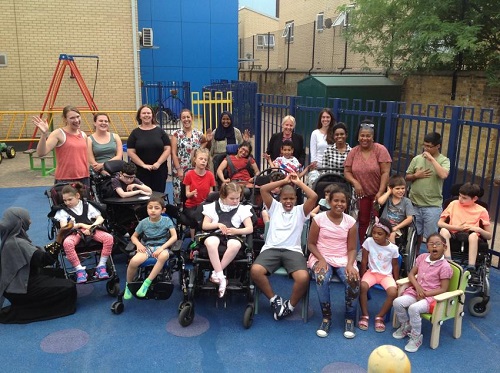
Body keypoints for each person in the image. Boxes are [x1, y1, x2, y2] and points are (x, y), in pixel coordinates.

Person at [250, 172, 317, 321]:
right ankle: (275, 300)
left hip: (293, 251)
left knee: (303, 277)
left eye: (291, 198)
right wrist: (284, 181)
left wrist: (298, 183)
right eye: (285, 198)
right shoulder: (274, 207)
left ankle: (289, 307)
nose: (288, 201)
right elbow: (263, 190)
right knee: (255, 270)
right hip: (271, 249)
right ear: (279, 199)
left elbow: (313, 197)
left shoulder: (301, 211)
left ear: (296, 199)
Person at [0, 208, 76, 324]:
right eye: (27, 218)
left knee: (61, 274)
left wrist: (57, 242)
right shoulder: (17, 243)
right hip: (21, 289)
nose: (30, 221)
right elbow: (46, 260)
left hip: (20, 280)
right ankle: (25, 310)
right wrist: (60, 236)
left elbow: (37, 253)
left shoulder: (12, 238)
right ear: (20, 222)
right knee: (69, 287)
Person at [307, 185, 359, 338]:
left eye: (343, 201)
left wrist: (350, 264)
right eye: (336, 200)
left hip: (343, 258)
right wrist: (321, 259)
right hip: (321, 256)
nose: (339, 204)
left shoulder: (350, 222)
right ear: (329, 201)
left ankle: (349, 319)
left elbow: (351, 248)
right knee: (322, 277)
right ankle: (326, 317)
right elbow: (311, 244)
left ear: (347, 203)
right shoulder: (319, 219)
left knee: (353, 279)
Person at [392, 233, 453, 353]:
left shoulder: (445, 267)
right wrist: (418, 288)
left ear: (444, 247)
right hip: (416, 292)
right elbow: (411, 274)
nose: (434, 246)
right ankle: (406, 325)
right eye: (431, 244)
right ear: (427, 246)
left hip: (432, 298)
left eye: (438, 244)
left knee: (414, 309)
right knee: (397, 302)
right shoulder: (422, 258)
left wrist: (425, 293)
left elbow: (443, 289)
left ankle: (416, 337)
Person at [54, 182, 114, 283]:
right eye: (65, 200)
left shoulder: (87, 205)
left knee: (109, 238)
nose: (67, 203)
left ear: (77, 196)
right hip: (73, 232)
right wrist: (79, 225)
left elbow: (100, 218)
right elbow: (64, 227)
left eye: (70, 199)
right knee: (67, 243)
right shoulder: (62, 210)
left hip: (91, 230)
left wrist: (91, 227)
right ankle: (79, 270)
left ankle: (101, 265)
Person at [201, 182, 253, 297]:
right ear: (223, 196)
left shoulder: (243, 209)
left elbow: (250, 228)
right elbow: (204, 226)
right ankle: (221, 277)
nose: (235, 201)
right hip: (215, 233)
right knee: (211, 242)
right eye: (232, 198)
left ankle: (216, 273)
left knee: (235, 245)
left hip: (233, 235)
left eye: (238, 198)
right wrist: (218, 225)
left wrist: (236, 231)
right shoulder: (212, 207)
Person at [344, 120, 392, 242]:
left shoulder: (380, 150)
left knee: (377, 222)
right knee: (363, 220)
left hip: (377, 193)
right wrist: (356, 183)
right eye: (362, 135)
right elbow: (347, 171)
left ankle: (376, 246)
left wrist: (381, 191)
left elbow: (385, 172)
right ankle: (362, 247)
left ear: (373, 137)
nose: (365, 138)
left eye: (368, 136)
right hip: (362, 194)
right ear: (358, 137)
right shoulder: (353, 152)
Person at [124, 196, 177, 299]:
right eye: (150, 208)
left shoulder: (167, 220)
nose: (153, 210)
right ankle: (129, 285)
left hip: (162, 247)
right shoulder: (143, 222)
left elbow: (174, 236)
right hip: (147, 247)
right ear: (147, 209)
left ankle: (146, 283)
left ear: (163, 210)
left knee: (164, 256)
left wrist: (162, 248)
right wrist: (138, 244)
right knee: (133, 261)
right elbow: (134, 236)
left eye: (156, 208)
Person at [437, 182, 491, 280]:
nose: (460, 199)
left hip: (472, 235)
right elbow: (440, 223)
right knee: (443, 231)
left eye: (464, 198)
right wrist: (457, 228)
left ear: (474, 199)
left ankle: (471, 268)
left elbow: (488, 236)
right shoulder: (453, 204)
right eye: (460, 196)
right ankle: (449, 263)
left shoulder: (482, 210)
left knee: (473, 236)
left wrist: (479, 229)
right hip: (453, 232)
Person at [405, 132, 450, 244]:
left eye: (430, 146)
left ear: (438, 146)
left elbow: (443, 175)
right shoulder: (417, 159)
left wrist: (432, 159)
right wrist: (416, 175)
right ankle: (415, 258)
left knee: (431, 238)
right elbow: (407, 176)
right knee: (414, 236)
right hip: (414, 204)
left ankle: (429, 259)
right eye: (425, 145)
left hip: (432, 206)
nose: (426, 148)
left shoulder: (444, 160)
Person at [358, 217, 400, 333]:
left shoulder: (393, 249)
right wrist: (362, 276)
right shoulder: (368, 242)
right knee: (362, 287)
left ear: (387, 235)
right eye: (374, 233)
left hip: (386, 276)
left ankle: (380, 316)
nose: (376, 236)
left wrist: (396, 281)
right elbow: (364, 261)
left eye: (380, 234)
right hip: (371, 273)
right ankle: (365, 315)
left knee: (393, 293)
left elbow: (395, 266)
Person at [32, 105, 90, 187]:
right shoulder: (58, 133)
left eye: (78, 117)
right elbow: (41, 153)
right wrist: (44, 134)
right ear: (65, 119)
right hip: (65, 179)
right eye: (72, 118)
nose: (76, 120)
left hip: (84, 178)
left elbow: (85, 156)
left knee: (84, 200)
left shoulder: (83, 134)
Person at [127, 105, 171, 193]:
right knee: (142, 196)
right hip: (141, 171)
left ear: (152, 115)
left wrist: (158, 163)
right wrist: (143, 165)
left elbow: (167, 149)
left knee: (158, 195)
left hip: (159, 170)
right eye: (143, 113)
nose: (146, 115)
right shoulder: (135, 133)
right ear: (139, 116)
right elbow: (131, 152)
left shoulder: (160, 131)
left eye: (148, 113)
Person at [171, 108, 209, 204]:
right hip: (180, 169)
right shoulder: (176, 134)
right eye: (183, 117)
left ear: (192, 118)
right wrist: (179, 169)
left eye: (188, 117)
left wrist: (200, 148)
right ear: (181, 119)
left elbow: (205, 142)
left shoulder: (198, 133)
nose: (186, 119)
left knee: (193, 191)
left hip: (194, 168)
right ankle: (179, 215)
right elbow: (173, 153)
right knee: (179, 193)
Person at [183, 148, 217, 239]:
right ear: (195, 160)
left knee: (208, 216)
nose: (203, 161)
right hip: (191, 206)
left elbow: (211, 193)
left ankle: (204, 236)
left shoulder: (210, 175)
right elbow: (187, 194)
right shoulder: (189, 174)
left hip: (205, 205)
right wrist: (192, 193)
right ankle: (193, 239)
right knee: (195, 216)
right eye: (201, 159)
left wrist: (210, 198)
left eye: (205, 160)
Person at [377, 175, 415, 244]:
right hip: (383, 225)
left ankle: (392, 252)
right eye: (397, 188)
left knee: (392, 234)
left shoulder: (406, 202)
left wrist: (396, 227)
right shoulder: (388, 198)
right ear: (391, 189)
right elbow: (380, 201)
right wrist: (388, 192)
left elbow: (409, 219)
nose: (401, 191)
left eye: (403, 188)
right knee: (378, 233)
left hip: (398, 228)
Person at [308, 109, 335, 185]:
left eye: (327, 117)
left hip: (331, 168)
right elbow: (313, 151)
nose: (325, 119)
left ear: (331, 119)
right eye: (323, 117)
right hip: (318, 168)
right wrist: (313, 165)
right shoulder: (315, 133)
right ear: (320, 119)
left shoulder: (335, 133)